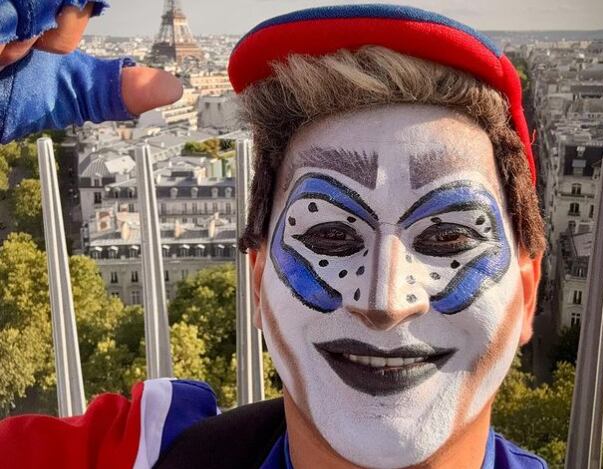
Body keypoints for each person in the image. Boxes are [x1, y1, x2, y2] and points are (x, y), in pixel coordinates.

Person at [0, 2, 549, 468]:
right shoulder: (136, 452)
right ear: (259, 284)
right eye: (330, 236)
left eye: (449, 239)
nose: (384, 300)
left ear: (527, 294)